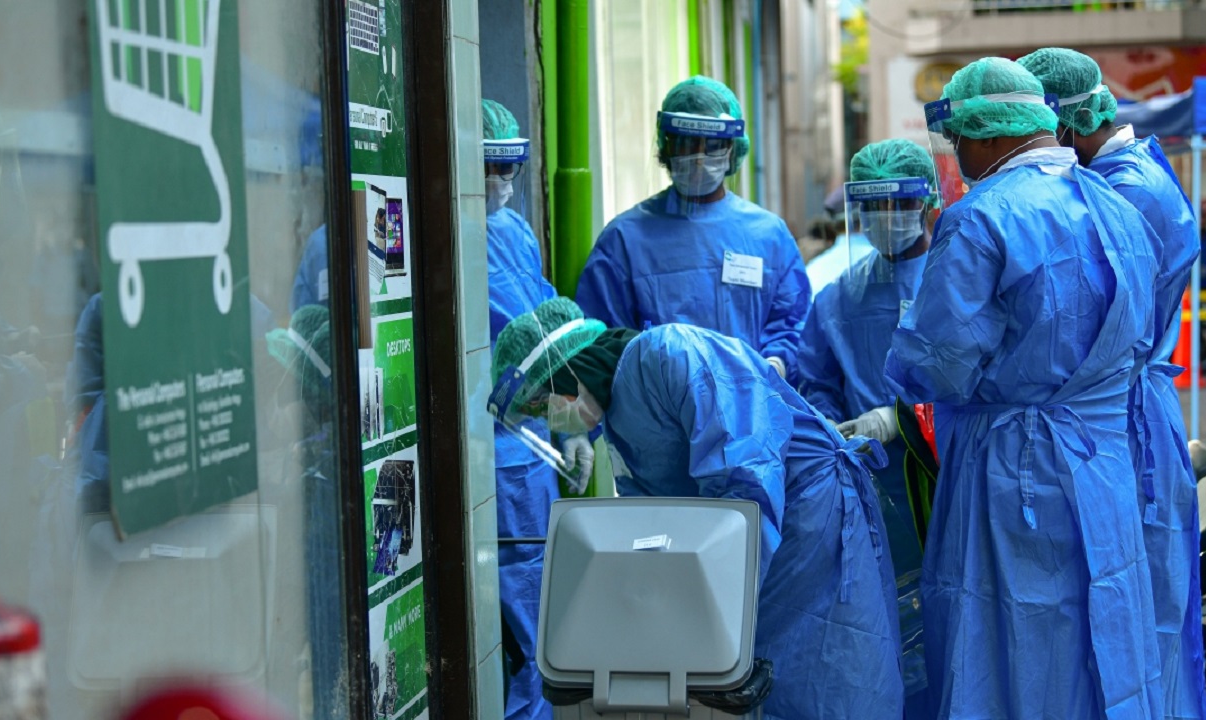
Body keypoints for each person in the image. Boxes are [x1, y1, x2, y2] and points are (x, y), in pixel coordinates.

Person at [885, 57, 1164, 719]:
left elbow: (938, 365)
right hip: (1104, 462)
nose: (958, 158)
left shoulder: (979, 219)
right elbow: (1141, 333)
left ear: (982, 135)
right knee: (1105, 637)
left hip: (1015, 472)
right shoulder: (1116, 203)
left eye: (958, 144)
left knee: (1010, 648)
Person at [489, 297, 903, 719]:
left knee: (825, 676)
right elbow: (658, 524)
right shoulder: (617, 420)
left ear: (570, 370)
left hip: (807, 518)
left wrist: (709, 615)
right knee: (761, 679)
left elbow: (747, 476)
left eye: (543, 404)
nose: (551, 419)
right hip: (758, 537)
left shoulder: (668, 353)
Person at [1020, 46, 1206, 720]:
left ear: (1063, 123)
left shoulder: (1125, 191)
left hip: (1126, 418)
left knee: (1143, 620)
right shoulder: (1122, 174)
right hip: (1119, 414)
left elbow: (1080, 317)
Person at [795, 138, 937, 714]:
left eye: (896, 205)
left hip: (944, 477)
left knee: (952, 616)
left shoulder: (957, 276)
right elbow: (814, 381)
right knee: (881, 624)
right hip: (868, 483)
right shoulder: (840, 296)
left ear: (928, 202)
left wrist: (903, 417)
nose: (883, 221)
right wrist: (834, 428)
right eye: (870, 208)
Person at [575, 76, 809, 381]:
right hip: (657, 418)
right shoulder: (625, 239)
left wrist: (775, 364)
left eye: (712, 145)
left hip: (750, 411)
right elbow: (601, 340)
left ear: (732, 150)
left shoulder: (768, 235)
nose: (699, 157)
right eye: (686, 143)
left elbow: (793, 322)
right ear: (666, 146)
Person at [481, 98, 590, 720]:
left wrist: (567, 415)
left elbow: (545, 327)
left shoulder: (513, 230)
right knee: (508, 638)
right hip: (487, 447)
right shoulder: (442, 237)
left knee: (538, 620)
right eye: (486, 168)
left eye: (508, 167)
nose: (499, 182)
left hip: (527, 448)